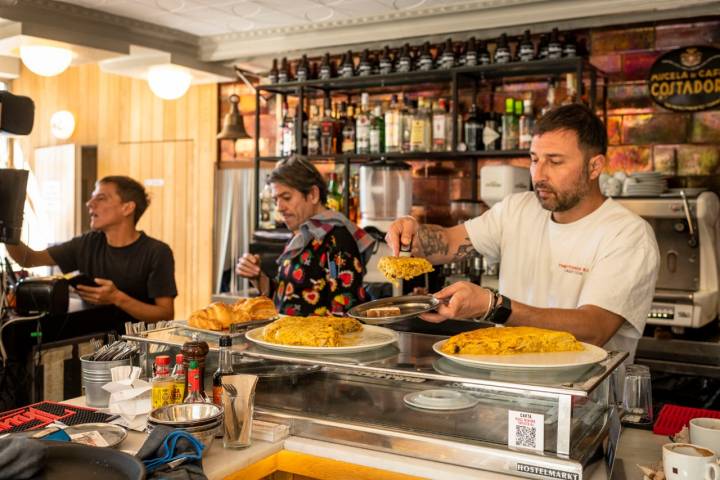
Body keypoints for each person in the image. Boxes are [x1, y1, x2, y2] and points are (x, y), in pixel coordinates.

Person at [386, 104, 660, 362]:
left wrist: (494, 307)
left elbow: (594, 328)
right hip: (508, 389)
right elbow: (446, 243)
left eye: (554, 161)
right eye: (534, 159)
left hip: (585, 399)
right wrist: (411, 232)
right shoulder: (518, 209)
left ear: (595, 166)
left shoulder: (628, 234)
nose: (538, 174)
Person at [5, 175, 177, 322]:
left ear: (127, 208)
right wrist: (5, 225)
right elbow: (28, 259)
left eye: (101, 198)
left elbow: (165, 314)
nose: (89, 203)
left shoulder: (157, 252)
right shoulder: (87, 243)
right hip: (91, 344)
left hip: (137, 350)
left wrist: (117, 298)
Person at [236, 156, 374, 316]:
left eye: (286, 197)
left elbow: (345, 312)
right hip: (286, 337)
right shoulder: (302, 236)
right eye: (276, 200)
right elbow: (287, 298)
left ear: (313, 194)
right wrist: (258, 277)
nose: (279, 207)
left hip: (316, 340)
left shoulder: (336, 240)